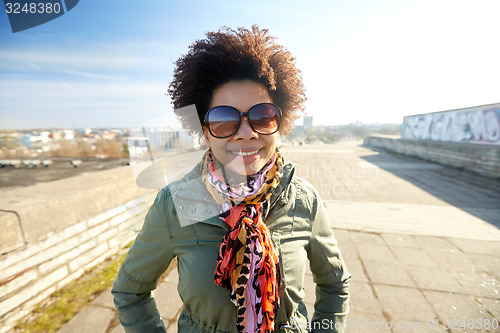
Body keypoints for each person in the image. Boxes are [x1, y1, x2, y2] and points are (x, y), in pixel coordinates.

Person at [112, 25, 350, 333]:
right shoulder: (176, 204)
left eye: (262, 116)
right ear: (205, 132)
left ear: (280, 123)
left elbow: (335, 284)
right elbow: (130, 291)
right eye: (224, 120)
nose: (246, 131)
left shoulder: (304, 200)